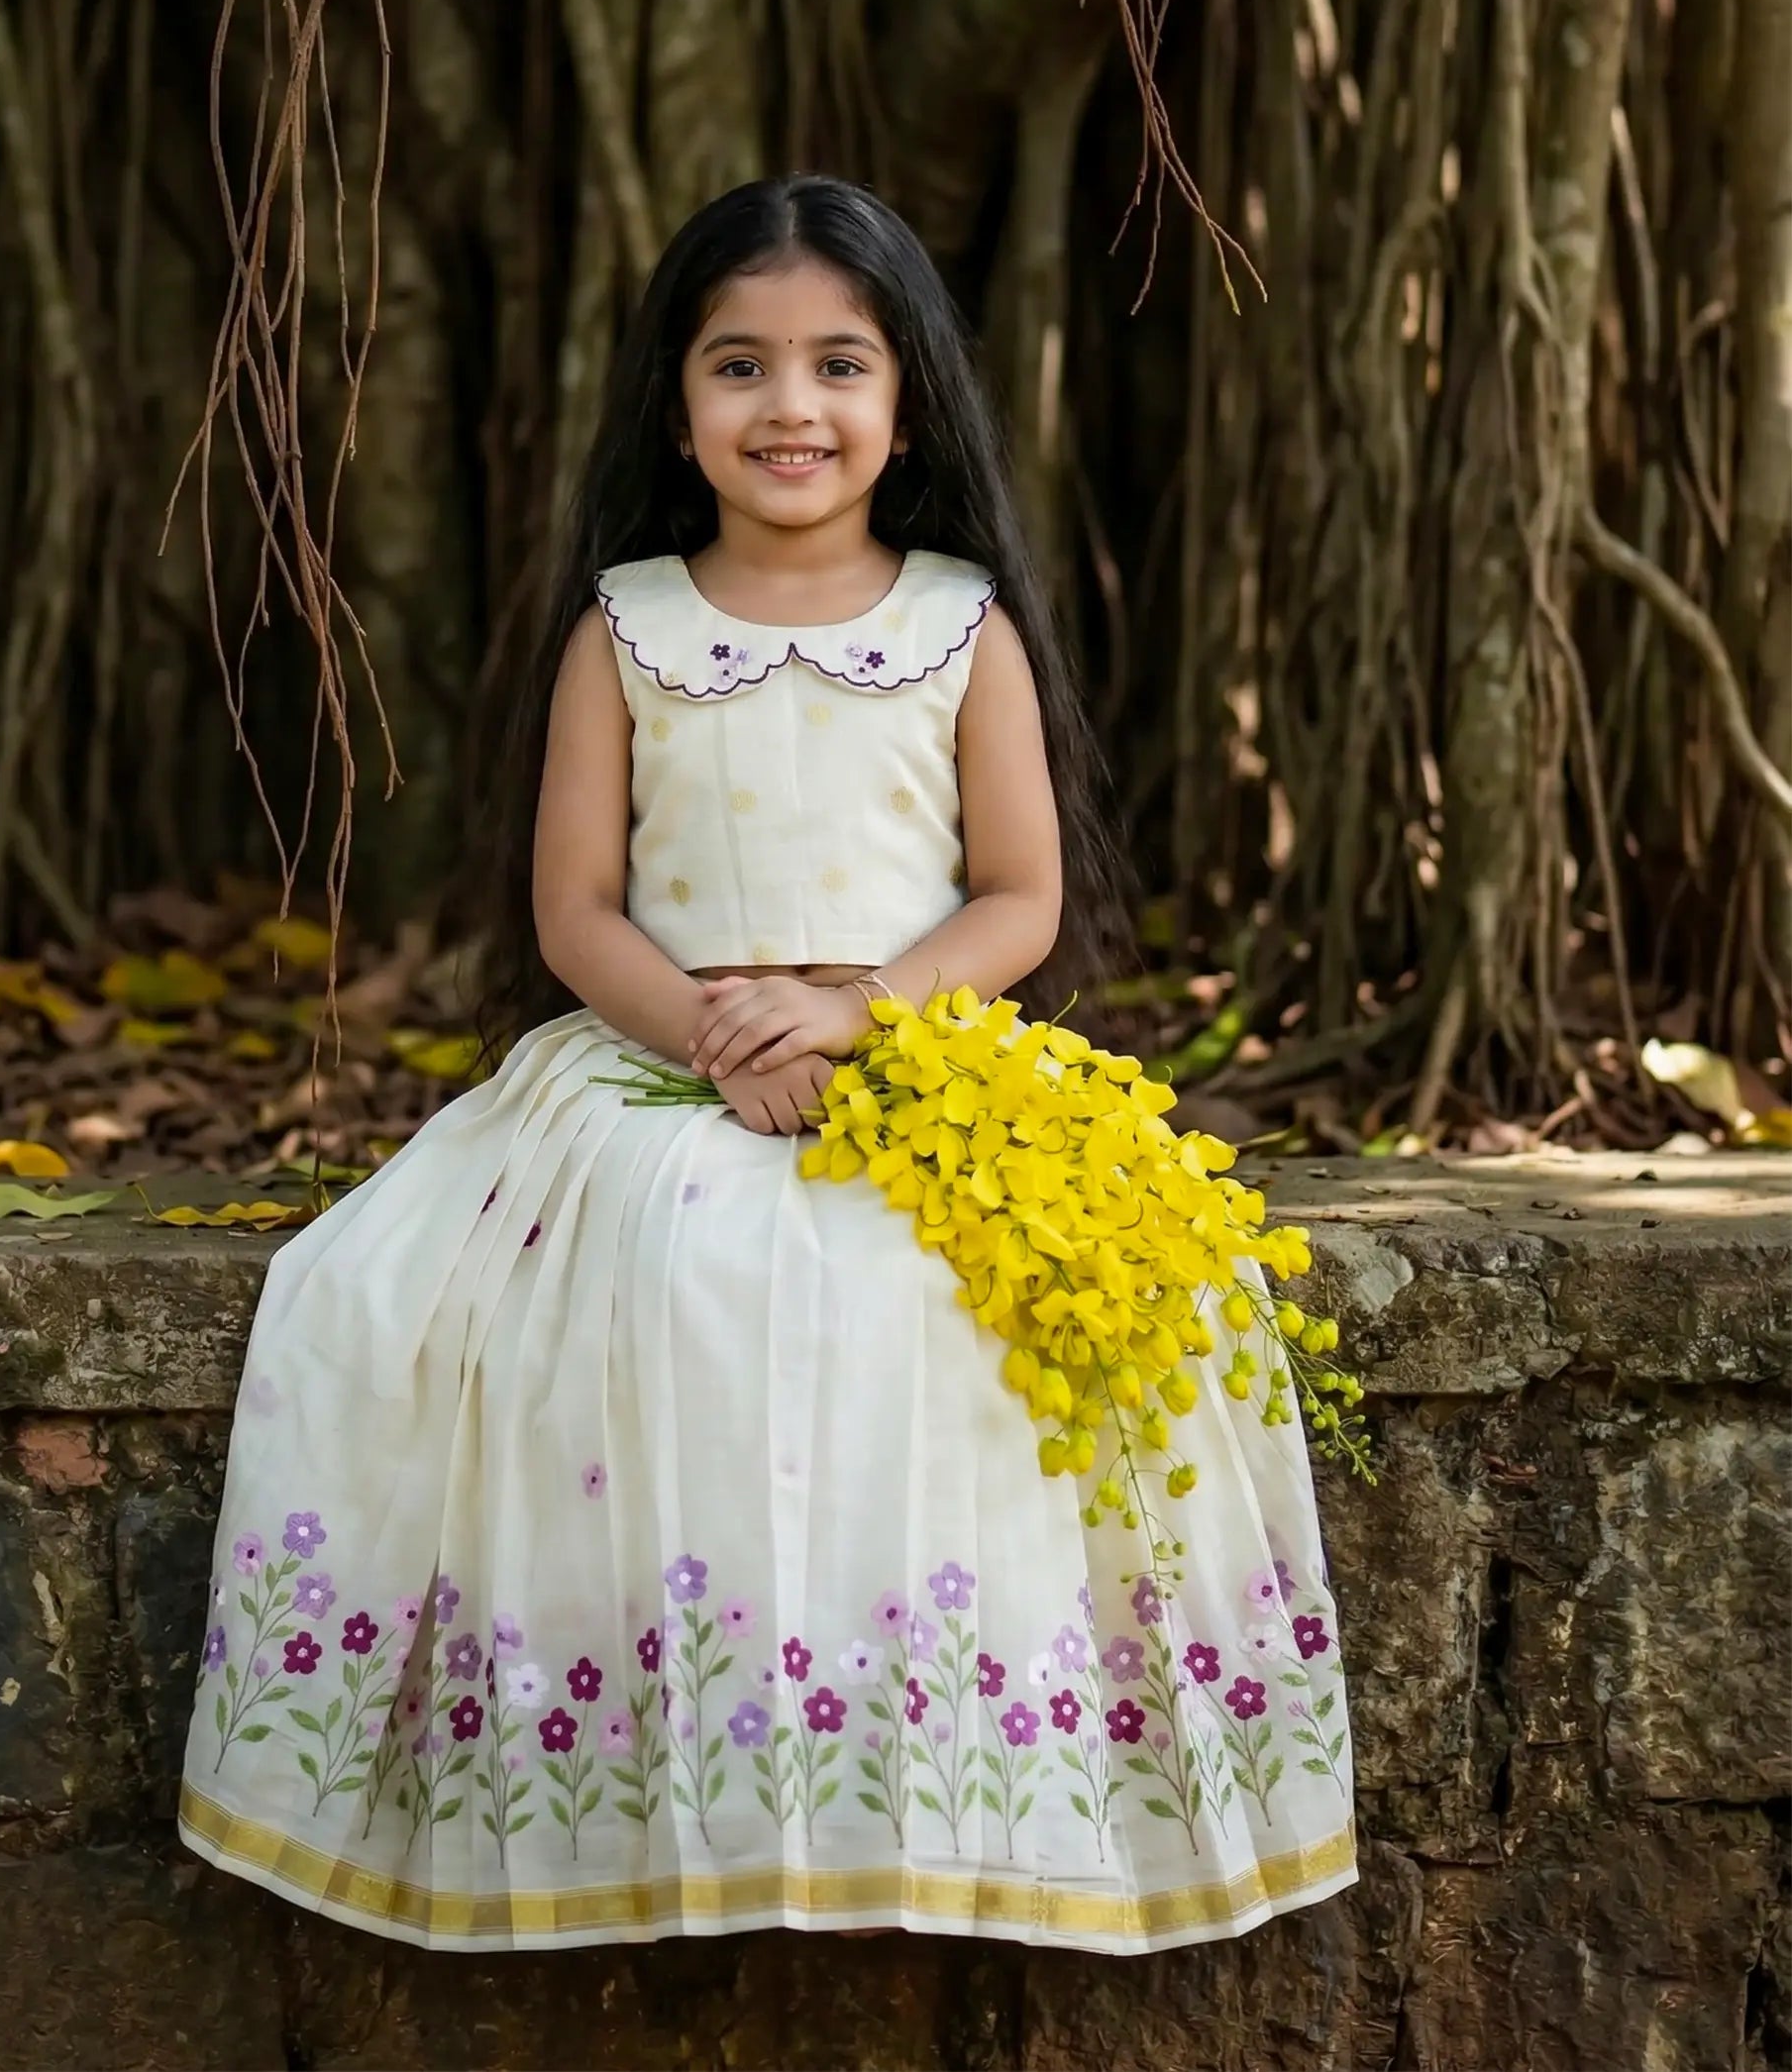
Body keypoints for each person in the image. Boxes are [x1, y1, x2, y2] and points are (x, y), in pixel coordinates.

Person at [177, 174, 1355, 1952]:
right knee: (588, 1282)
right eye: (740, 365)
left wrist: (864, 1010)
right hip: (655, 1070)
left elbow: (1019, 898)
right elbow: (577, 911)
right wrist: (719, 1031)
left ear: (907, 403)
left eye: (836, 364)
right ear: (677, 404)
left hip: (921, 1061)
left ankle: (944, 1778)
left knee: (969, 1303)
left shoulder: (963, 628)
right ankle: (659, 1778)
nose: (789, 406)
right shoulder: (627, 627)